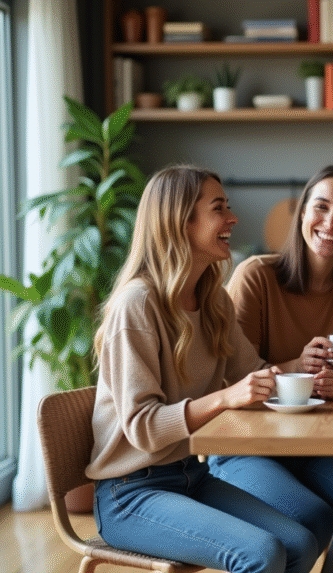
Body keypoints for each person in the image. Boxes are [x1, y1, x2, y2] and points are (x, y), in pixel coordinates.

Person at [87, 165, 318, 573]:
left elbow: (254, 374)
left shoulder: (213, 301)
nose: (232, 218)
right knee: (262, 554)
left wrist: (304, 370)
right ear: (181, 222)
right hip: (130, 494)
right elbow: (144, 428)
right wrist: (227, 397)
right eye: (219, 208)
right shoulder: (137, 305)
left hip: (189, 476)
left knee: (298, 543)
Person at [207, 164, 333, 573]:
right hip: (248, 446)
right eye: (321, 207)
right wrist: (296, 366)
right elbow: (228, 379)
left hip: (319, 446)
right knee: (311, 519)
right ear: (301, 213)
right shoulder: (256, 278)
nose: (330, 222)